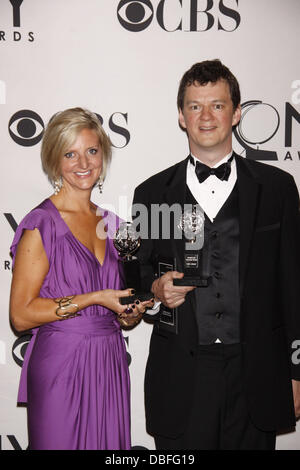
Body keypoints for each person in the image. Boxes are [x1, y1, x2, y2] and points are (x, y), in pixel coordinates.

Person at [132, 60, 300, 450]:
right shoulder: (152, 193)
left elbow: (293, 284)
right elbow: (133, 280)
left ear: (237, 112)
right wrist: (155, 292)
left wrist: (295, 371)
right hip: (182, 376)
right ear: (181, 115)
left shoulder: (278, 188)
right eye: (194, 106)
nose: (206, 116)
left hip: (257, 372)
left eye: (218, 105)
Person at [9, 107, 153, 450]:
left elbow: (121, 306)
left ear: (103, 155)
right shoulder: (40, 224)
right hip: (61, 364)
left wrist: (129, 312)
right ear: (54, 161)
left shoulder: (114, 224)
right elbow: (21, 315)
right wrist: (93, 298)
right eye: (70, 154)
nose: (83, 163)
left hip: (109, 361)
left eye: (91, 151)